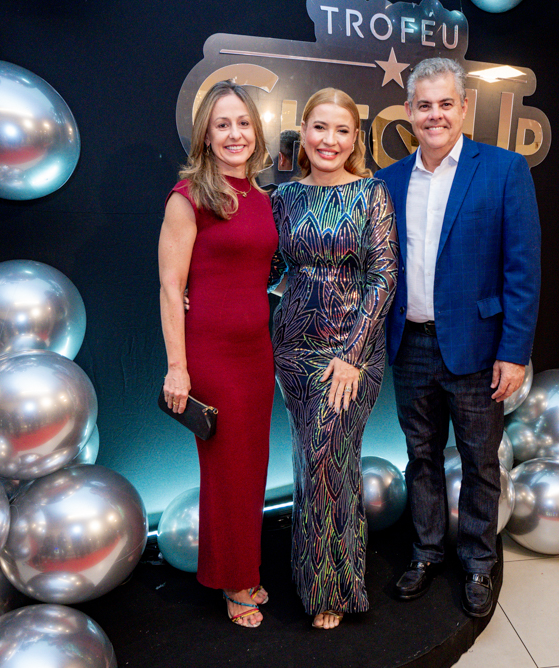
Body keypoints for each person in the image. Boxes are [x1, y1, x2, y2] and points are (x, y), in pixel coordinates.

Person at [376, 58, 541, 618]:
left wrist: (513, 353)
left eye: (446, 103)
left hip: (477, 347)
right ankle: (424, 553)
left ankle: (477, 562)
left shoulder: (504, 171)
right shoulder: (388, 181)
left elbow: (523, 270)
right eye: (424, 105)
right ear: (409, 112)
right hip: (411, 346)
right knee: (419, 458)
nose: (435, 114)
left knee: (479, 461)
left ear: (464, 107)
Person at [270, 88, 398, 630]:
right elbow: (265, 268)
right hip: (293, 350)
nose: (330, 140)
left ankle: (335, 588)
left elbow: (384, 275)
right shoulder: (281, 197)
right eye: (320, 128)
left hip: (352, 353)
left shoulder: (372, 193)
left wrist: (350, 354)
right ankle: (312, 575)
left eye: (342, 131)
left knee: (329, 458)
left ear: (356, 139)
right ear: (303, 130)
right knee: (311, 459)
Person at [159, 80, 276, 628]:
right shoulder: (189, 198)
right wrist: (178, 366)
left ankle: (244, 565)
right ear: (206, 133)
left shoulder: (261, 197)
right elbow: (168, 287)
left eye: (243, 123)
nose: (235, 134)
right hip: (212, 352)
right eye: (222, 124)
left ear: (257, 131)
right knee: (228, 470)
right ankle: (233, 582)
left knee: (252, 468)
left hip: (258, 353)